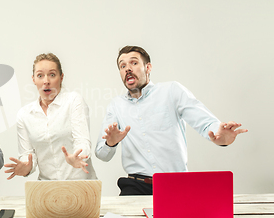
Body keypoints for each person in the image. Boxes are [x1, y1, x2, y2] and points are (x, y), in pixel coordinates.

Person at [96, 46, 248, 196]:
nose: (128, 68)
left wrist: (220, 135)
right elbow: (102, 154)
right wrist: (111, 143)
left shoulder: (171, 91)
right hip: (135, 187)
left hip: (175, 185)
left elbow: (206, 122)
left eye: (134, 63)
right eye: (122, 66)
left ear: (148, 67)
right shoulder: (116, 105)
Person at [4, 53, 96, 180]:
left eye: (52, 75)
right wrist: (26, 168)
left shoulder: (73, 100)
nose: (46, 81)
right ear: (33, 79)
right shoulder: (24, 115)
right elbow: (27, 155)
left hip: (80, 184)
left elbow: (82, 140)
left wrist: (78, 156)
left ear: (61, 77)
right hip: (48, 189)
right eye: (40, 75)